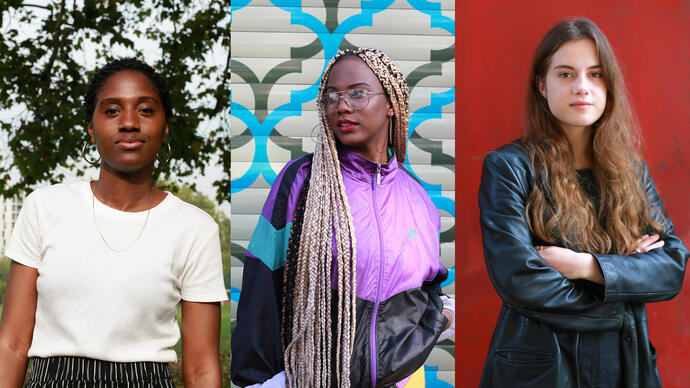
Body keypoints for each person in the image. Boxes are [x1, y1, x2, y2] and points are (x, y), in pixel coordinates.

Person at [478, 17, 689, 387]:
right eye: (565, 74)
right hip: (543, 368)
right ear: (541, 85)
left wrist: (587, 266)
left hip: (625, 364)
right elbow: (522, 280)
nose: (581, 87)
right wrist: (624, 284)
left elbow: (671, 266)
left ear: (609, 85)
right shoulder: (509, 167)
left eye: (595, 74)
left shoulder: (630, 171)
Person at [231, 48, 455, 388]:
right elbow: (262, 282)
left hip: (404, 382)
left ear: (391, 102)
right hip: (314, 379)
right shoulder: (302, 182)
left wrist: (441, 320)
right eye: (331, 97)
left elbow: (428, 290)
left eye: (357, 93)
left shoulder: (417, 198)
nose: (343, 106)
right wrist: (259, 383)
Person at [0, 58, 228, 387]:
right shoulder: (44, 207)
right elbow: (12, 344)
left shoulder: (194, 228)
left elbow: (202, 368)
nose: (129, 123)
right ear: (91, 128)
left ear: (165, 126)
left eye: (146, 110)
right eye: (111, 111)